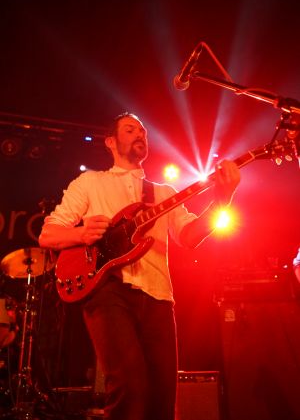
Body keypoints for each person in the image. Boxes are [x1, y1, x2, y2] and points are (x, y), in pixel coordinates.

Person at [38, 112, 241, 420]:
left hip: (158, 294)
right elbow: (48, 234)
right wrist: (81, 233)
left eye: (144, 132)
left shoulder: (163, 193)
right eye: (130, 129)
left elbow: (189, 236)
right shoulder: (90, 182)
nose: (140, 135)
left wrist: (221, 201)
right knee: (130, 387)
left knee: (162, 395)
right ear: (110, 141)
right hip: (107, 288)